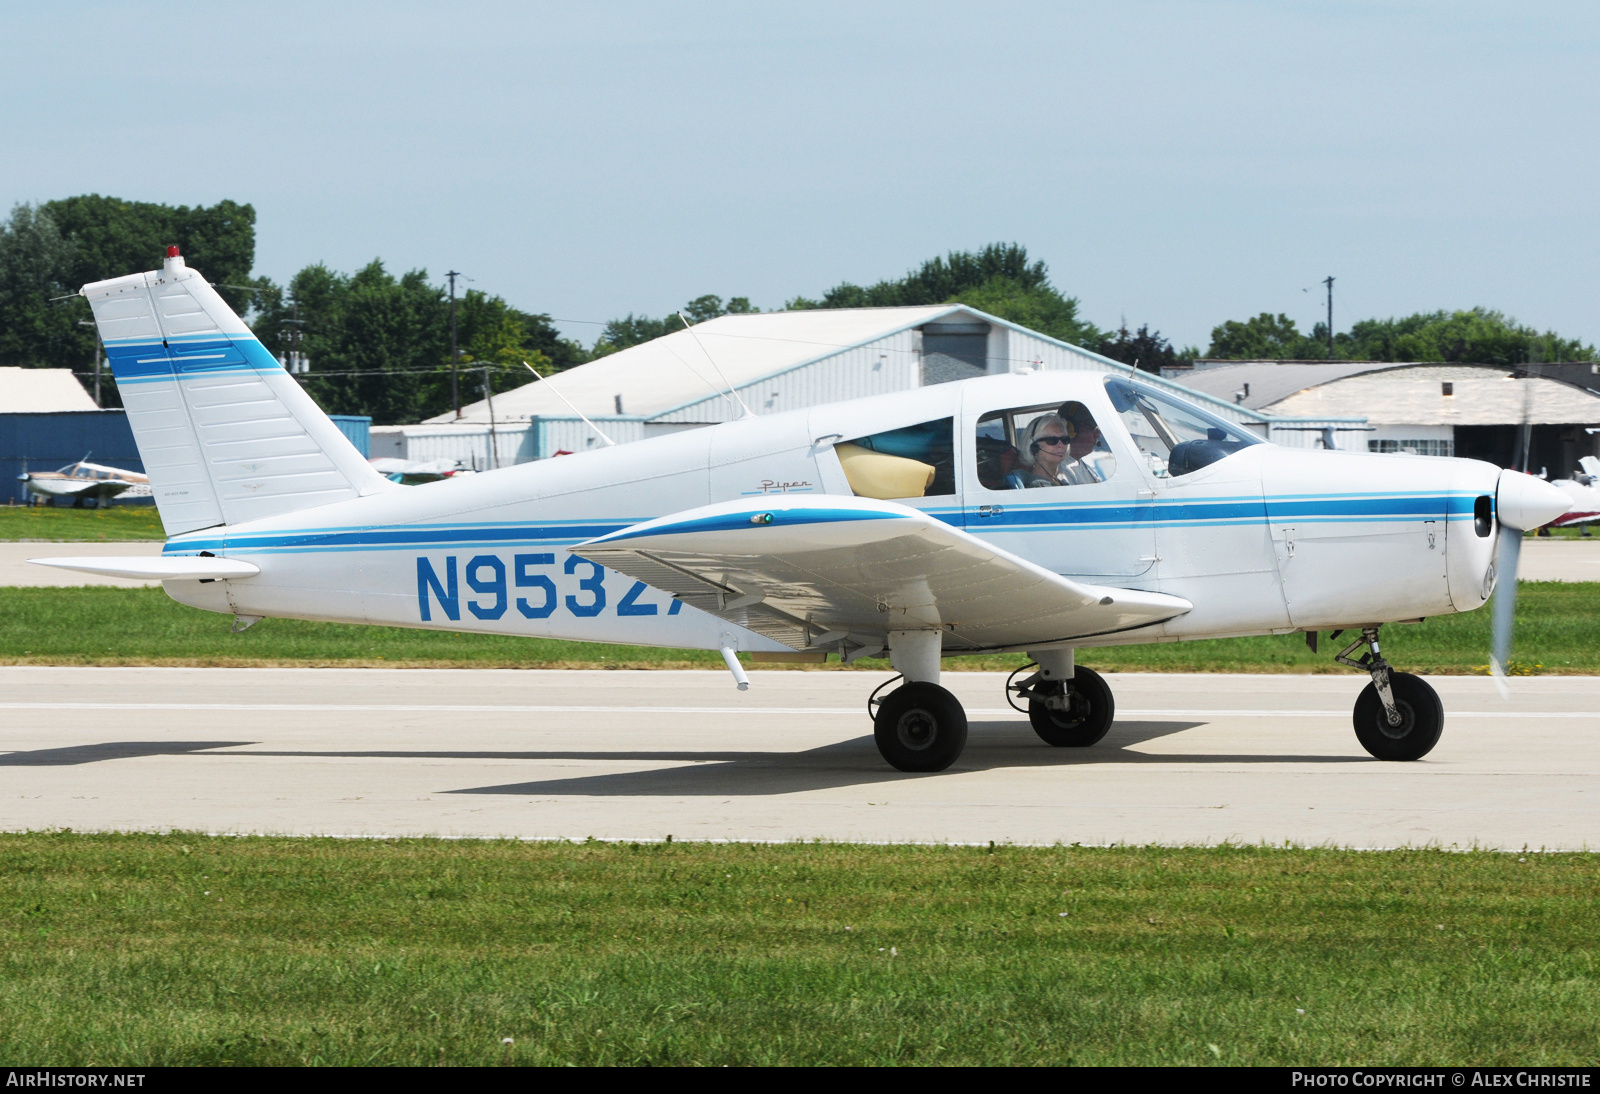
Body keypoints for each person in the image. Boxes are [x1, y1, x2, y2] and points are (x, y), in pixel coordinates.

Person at [1006, 414, 1074, 489]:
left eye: (1065, 439)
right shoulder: (1037, 487)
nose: (1061, 445)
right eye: (1052, 440)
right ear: (1034, 446)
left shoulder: (1063, 481)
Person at [1055, 401, 1105, 485]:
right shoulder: (1062, 471)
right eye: (1093, 428)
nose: (1098, 435)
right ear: (1069, 429)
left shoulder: (1084, 467)